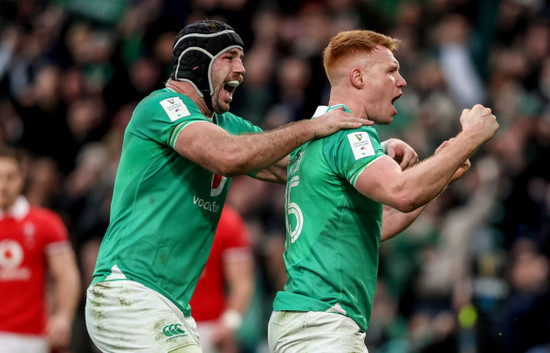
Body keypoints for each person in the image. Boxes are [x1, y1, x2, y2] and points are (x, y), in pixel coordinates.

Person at [84, 20, 416, 353]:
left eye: (241, 58)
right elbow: (229, 156)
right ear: (196, 64)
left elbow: (302, 166)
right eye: (230, 57)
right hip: (127, 291)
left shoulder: (228, 124)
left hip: (171, 306)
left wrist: (373, 156)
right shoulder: (161, 107)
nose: (241, 69)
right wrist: (314, 127)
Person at [267, 29, 499, 353]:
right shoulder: (348, 135)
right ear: (358, 78)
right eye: (391, 71)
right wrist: (470, 137)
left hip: (307, 320)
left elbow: (376, 226)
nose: (402, 81)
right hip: (324, 324)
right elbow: (402, 192)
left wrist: (443, 173)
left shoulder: (314, 141)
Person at [0, 147, 81, 353]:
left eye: (10, 177)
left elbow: (67, 275)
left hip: (30, 338)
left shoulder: (46, 223)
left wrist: (63, 317)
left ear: (21, 178)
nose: (3, 185)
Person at [189, 205, 254, 353]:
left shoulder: (227, 222)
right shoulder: (165, 215)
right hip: (164, 318)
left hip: (209, 328)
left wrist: (229, 324)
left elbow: (242, 284)